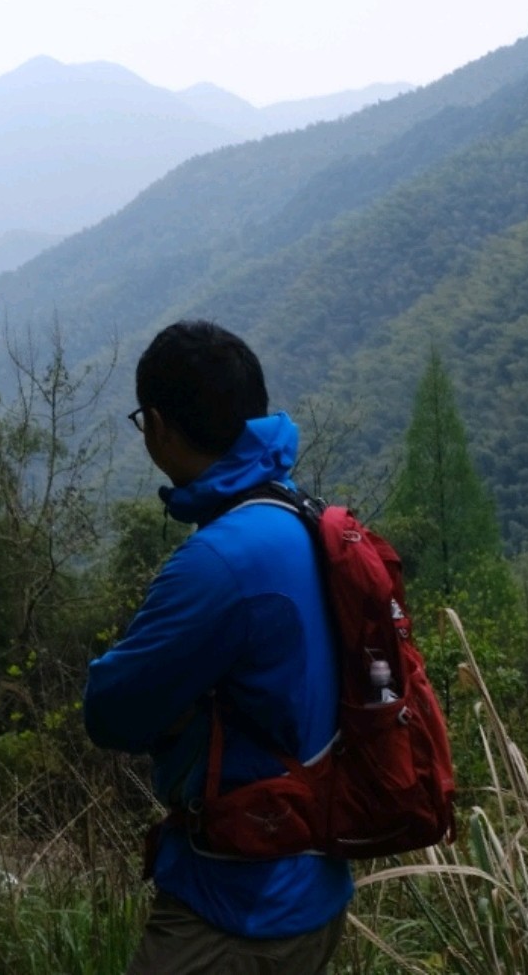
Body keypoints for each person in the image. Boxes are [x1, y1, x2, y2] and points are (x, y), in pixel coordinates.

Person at [84, 320, 353, 975]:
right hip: (315, 884)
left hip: (235, 909)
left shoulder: (221, 561)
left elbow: (110, 711)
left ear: (156, 424)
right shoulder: (300, 513)